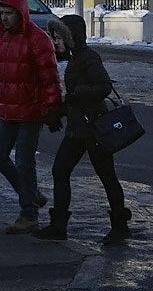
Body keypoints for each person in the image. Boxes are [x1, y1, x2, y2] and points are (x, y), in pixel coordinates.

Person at [36, 13, 131, 245]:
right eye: (54, 36)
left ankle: (120, 226)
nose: (55, 41)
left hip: (94, 128)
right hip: (80, 129)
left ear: (72, 36)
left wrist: (78, 94)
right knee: (61, 171)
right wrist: (57, 113)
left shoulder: (88, 57)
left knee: (106, 176)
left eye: (59, 36)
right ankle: (59, 226)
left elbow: (104, 86)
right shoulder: (75, 58)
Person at [0, 0, 63, 234]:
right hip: (9, 111)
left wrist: (53, 109)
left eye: (9, 13)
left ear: (21, 14)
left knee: (23, 162)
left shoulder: (38, 40)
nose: (5, 18)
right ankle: (31, 194)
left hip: (32, 111)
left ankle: (29, 215)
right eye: (2, 13)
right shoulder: (1, 40)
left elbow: (50, 77)